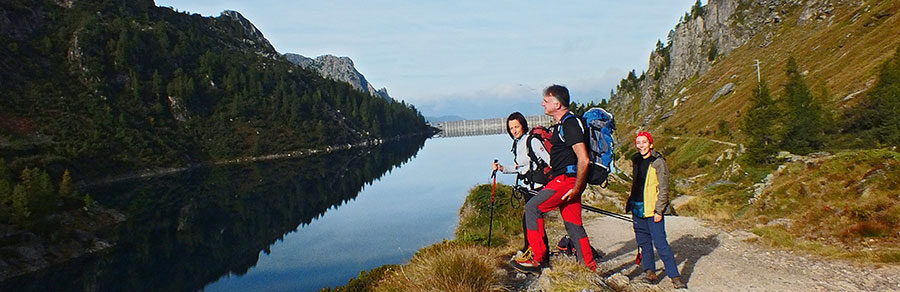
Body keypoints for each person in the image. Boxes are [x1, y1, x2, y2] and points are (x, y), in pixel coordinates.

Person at [511, 85, 597, 273]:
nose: (542, 103)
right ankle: (588, 266)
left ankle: (537, 259)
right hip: (567, 180)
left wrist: (577, 187)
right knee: (573, 224)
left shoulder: (570, 124)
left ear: (557, 104)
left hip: (567, 180)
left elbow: (583, 158)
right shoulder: (563, 125)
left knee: (532, 207)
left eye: (546, 100)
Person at [627, 131, 687, 289]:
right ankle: (650, 273)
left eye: (644, 142)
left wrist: (659, 211)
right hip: (638, 208)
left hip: (653, 210)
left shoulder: (658, 162)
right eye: (638, 142)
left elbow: (664, 189)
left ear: (651, 144)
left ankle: (675, 277)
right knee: (644, 243)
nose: (641, 146)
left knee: (661, 244)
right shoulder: (636, 160)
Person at [492, 112, 551, 257]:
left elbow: (550, 161)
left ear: (523, 125)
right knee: (528, 220)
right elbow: (520, 167)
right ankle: (531, 248)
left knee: (532, 220)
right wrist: (502, 168)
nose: (514, 130)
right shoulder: (518, 143)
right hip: (527, 187)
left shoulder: (532, 141)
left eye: (516, 127)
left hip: (537, 186)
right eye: (511, 128)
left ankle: (540, 253)